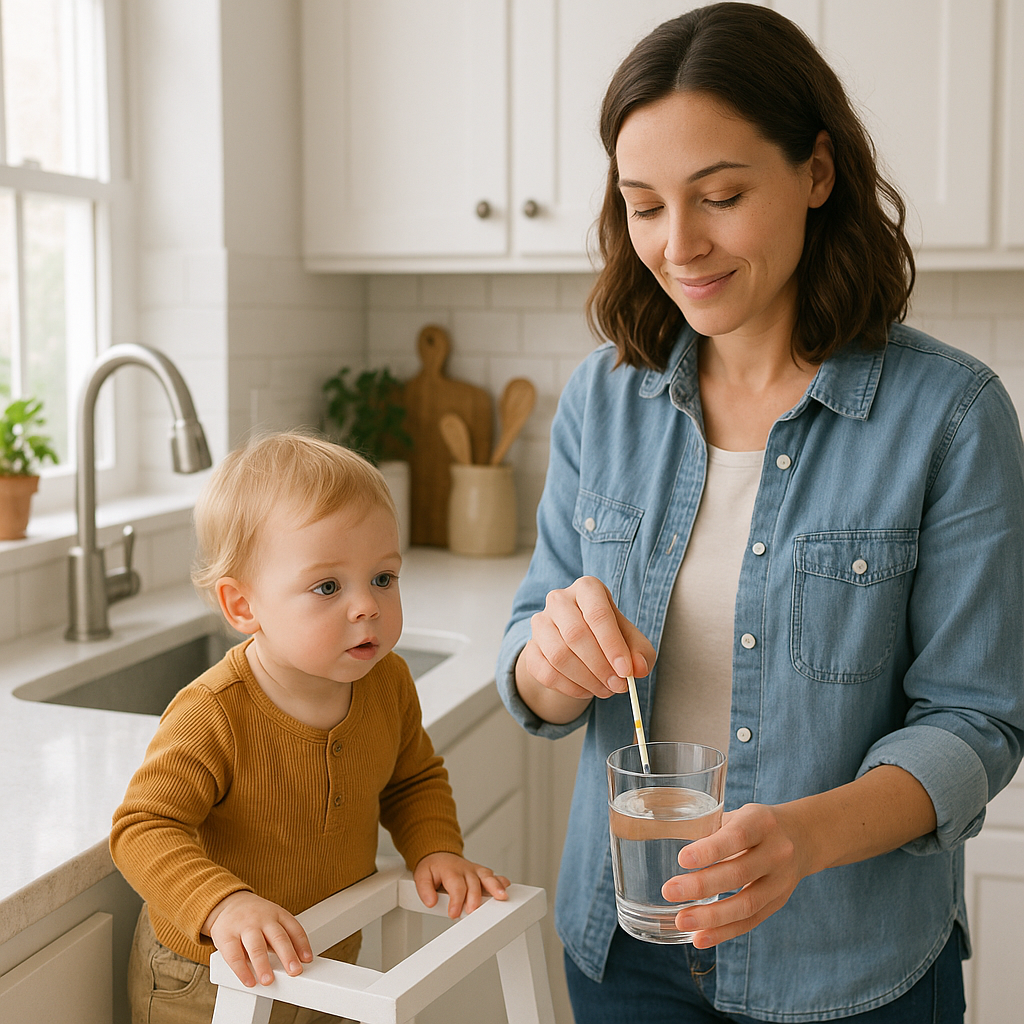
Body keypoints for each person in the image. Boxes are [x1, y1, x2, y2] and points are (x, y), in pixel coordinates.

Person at [495, 4, 1024, 1023]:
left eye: (720, 196)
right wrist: (547, 662)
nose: (677, 243)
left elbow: (978, 718)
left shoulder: (950, 416)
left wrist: (804, 838)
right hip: (625, 947)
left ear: (816, 173)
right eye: (642, 205)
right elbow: (530, 642)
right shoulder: (602, 399)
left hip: (845, 960)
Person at [112, 432, 509, 1024]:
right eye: (328, 586)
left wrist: (435, 848)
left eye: (383, 577)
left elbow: (411, 778)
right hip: (207, 978)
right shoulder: (213, 712)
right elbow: (143, 829)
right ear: (243, 606)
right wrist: (224, 905)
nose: (366, 606)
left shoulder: (387, 681)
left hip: (327, 956)